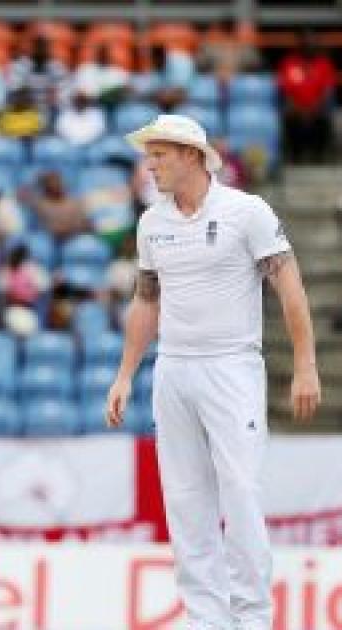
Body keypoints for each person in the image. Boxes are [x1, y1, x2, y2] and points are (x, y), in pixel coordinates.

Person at [106, 114, 320, 630]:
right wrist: (125, 373)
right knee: (185, 501)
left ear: (191, 155)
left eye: (159, 154)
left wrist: (306, 365)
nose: (150, 165)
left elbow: (290, 287)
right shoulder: (151, 223)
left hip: (232, 367)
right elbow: (146, 300)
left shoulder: (247, 212)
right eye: (149, 155)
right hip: (173, 369)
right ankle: (206, 619)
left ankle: (253, 618)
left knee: (240, 490)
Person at [277, 36, 337, 164]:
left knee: (324, 116)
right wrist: (298, 109)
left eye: (312, 44)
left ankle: (318, 156)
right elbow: (285, 91)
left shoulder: (324, 63)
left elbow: (328, 90)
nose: (309, 47)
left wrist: (314, 108)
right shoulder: (289, 63)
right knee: (289, 116)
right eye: (306, 44)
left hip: (318, 108)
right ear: (300, 46)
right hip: (295, 108)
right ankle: (295, 156)